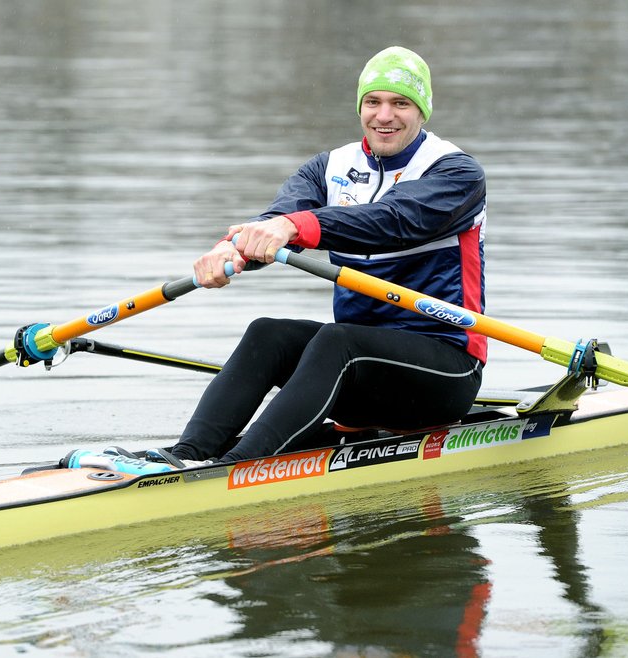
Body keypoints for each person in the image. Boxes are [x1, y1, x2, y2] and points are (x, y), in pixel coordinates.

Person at [165, 45, 488, 465]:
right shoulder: (328, 168)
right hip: (360, 375)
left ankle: (237, 467)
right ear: (360, 108)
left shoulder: (456, 173)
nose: (384, 116)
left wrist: (294, 227)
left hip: (444, 372)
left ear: (421, 111)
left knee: (338, 340)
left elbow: (391, 222)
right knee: (268, 333)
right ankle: (185, 457)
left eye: (400, 104)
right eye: (373, 102)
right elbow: (279, 217)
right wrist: (232, 247)